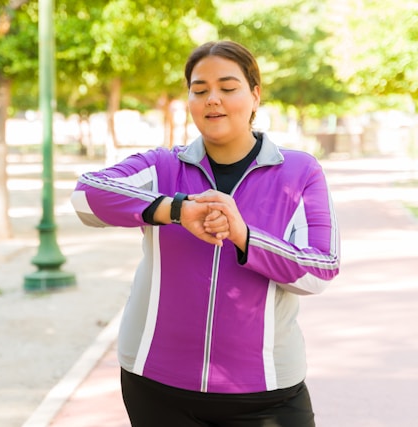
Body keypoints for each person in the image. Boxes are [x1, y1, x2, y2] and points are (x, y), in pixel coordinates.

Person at [71, 40, 340, 426]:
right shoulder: (163, 166)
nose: (212, 99)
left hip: (265, 393)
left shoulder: (299, 172)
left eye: (228, 88)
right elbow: (86, 195)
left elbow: (320, 269)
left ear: (255, 95)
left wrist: (245, 235)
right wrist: (175, 209)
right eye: (200, 91)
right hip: (157, 385)